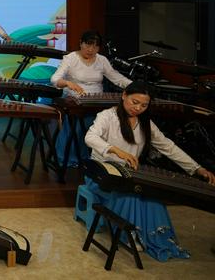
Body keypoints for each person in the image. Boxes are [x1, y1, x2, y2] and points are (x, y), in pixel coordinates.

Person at [84, 81, 215, 262]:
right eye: (134, 102)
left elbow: (168, 147)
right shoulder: (107, 116)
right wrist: (115, 150)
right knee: (131, 194)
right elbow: (90, 137)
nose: (138, 108)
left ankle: (153, 237)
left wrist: (197, 168)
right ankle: (130, 236)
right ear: (124, 96)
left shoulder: (146, 123)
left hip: (129, 174)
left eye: (144, 105)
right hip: (101, 173)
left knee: (151, 195)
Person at [51, 30, 131, 166]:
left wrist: (135, 87)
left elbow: (116, 78)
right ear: (80, 43)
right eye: (88, 45)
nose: (91, 49)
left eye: (95, 46)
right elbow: (54, 79)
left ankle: (91, 160)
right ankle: (67, 159)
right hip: (74, 99)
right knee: (75, 127)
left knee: (97, 128)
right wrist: (68, 83)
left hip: (96, 101)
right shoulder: (71, 58)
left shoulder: (102, 60)